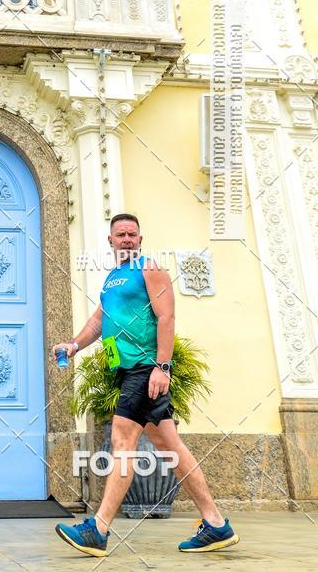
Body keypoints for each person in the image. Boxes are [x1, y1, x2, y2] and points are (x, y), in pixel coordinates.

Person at [53, 213, 240, 557]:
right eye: (120, 234)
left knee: (122, 439)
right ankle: (215, 524)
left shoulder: (150, 269)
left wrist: (162, 367)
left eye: (131, 234)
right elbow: (99, 320)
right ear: (110, 241)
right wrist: (74, 345)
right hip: (127, 370)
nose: (126, 239)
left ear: (140, 239)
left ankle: (99, 528)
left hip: (145, 368)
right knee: (170, 447)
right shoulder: (112, 279)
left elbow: (167, 316)